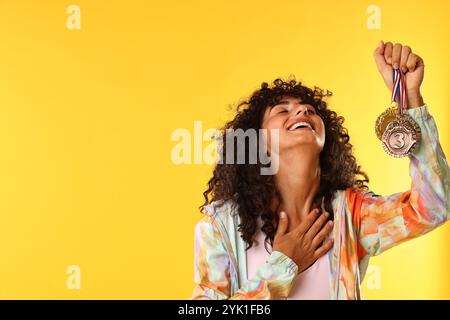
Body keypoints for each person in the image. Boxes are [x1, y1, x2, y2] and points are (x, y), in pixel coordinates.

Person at [190, 41, 449, 299]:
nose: (302, 110)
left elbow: (434, 207)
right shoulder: (219, 226)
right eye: (282, 110)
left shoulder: (350, 214)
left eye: (310, 111)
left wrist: (410, 96)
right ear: (258, 142)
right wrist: (284, 265)